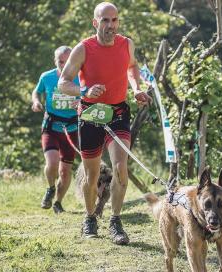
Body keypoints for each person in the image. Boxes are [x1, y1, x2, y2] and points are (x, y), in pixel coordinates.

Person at [58, 2, 151, 243]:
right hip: (91, 114)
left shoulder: (126, 44)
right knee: (92, 174)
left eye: (114, 20)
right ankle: (90, 217)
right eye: (105, 20)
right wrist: (85, 91)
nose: (110, 25)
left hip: (118, 112)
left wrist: (137, 88)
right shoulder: (83, 49)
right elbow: (63, 83)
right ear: (95, 22)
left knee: (121, 167)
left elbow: (132, 67)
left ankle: (115, 221)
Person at [32, 46, 80, 214]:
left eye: (67, 61)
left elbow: (88, 96)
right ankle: (51, 188)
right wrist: (36, 102)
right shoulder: (47, 77)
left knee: (65, 171)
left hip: (71, 127)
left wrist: (81, 103)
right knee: (52, 163)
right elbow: (36, 92)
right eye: (60, 61)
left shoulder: (80, 78)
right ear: (55, 61)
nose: (64, 64)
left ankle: (58, 202)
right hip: (51, 126)